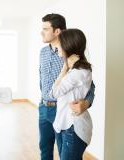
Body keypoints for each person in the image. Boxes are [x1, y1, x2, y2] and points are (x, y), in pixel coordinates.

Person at [39, 13, 95, 160]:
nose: (41, 32)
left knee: (65, 152)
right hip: (44, 107)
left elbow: (90, 85)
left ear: (57, 31)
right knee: (44, 149)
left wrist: (87, 102)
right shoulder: (43, 53)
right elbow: (42, 80)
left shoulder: (71, 57)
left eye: (45, 28)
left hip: (62, 109)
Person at [50, 28, 93, 160]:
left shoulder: (78, 72)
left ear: (68, 45)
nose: (57, 46)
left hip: (73, 127)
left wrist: (64, 69)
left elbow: (54, 93)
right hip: (65, 124)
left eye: (60, 43)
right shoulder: (75, 70)